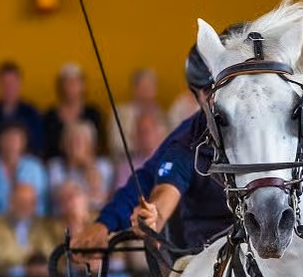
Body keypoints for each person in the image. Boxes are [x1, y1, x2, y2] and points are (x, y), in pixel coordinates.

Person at [75, 41, 233, 254]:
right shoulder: (188, 140)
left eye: (226, 86)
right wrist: (109, 223)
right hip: (208, 257)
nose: (217, 99)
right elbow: (156, 183)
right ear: (196, 96)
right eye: (208, 91)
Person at [0, 182, 63, 277]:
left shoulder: (46, 226)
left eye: (30, 202)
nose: (24, 206)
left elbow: (52, 255)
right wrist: (27, 268)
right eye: (20, 201)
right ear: (10, 202)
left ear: (35, 205)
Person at [0, 60, 44, 159]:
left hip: (27, 166)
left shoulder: (32, 112)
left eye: (12, 83)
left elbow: (38, 145)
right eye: (4, 84)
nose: (9, 88)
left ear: (20, 84)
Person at [41, 63, 105, 162]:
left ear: (83, 86)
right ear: (60, 86)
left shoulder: (93, 113)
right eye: (66, 83)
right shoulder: (50, 116)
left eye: (75, 82)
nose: (71, 87)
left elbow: (99, 145)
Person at [47, 120, 113, 214]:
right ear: (63, 144)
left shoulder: (104, 165)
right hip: (62, 220)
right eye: (70, 140)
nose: (74, 145)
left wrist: (89, 166)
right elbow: (62, 195)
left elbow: (101, 198)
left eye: (79, 141)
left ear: (90, 144)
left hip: (95, 218)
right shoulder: (55, 166)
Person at [0, 122, 47, 214]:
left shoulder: (35, 167)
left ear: (24, 142)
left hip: (32, 221)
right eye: (7, 139)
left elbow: (42, 201)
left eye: (16, 139)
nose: (11, 143)